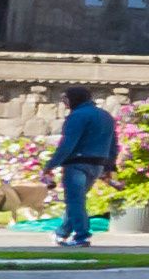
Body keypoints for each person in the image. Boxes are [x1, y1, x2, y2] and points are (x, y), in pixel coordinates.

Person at [48, 88, 121, 250]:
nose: (64, 102)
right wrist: (109, 167)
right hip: (97, 165)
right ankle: (62, 233)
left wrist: (50, 165)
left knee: (75, 201)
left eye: (65, 98)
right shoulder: (105, 116)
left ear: (74, 98)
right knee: (77, 201)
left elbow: (67, 144)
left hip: (77, 164)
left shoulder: (77, 116)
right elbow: (113, 145)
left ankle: (82, 236)